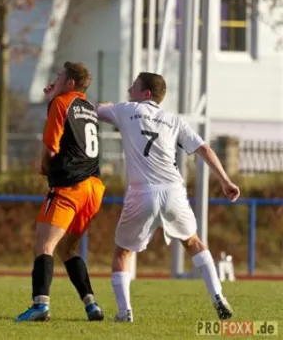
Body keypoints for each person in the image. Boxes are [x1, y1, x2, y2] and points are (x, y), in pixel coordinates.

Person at [96, 72, 240, 322]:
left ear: (146, 93)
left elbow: (97, 110)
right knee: (194, 243)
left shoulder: (126, 109)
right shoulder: (174, 119)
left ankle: (124, 312)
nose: (129, 89)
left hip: (142, 192)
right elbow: (204, 148)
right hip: (173, 191)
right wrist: (226, 180)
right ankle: (218, 296)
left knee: (123, 252)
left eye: (134, 86)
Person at [15, 62, 105, 322]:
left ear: (70, 83)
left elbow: (51, 148)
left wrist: (43, 167)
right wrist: (50, 99)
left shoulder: (61, 103)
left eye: (59, 76)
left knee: (44, 245)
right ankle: (91, 305)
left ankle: (39, 305)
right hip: (93, 189)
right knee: (68, 249)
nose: (54, 80)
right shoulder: (88, 107)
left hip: (69, 187)